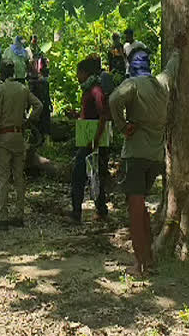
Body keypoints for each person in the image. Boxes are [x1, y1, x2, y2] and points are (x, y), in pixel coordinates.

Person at [108, 42, 181, 277]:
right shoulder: (162, 83)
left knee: (135, 212)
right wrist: (178, 49)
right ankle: (148, 260)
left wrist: (122, 126)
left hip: (135, 156)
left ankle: (140, 265)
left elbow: (113, 101)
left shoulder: (132, 85)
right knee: (141, 212)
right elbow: (172, 67)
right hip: (155, 158)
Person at [0, 61, 42, 230]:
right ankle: (19, 214)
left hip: (4, 137)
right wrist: (28, 121)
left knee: (4, 178)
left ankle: (2, 216)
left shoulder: (1, 89)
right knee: (19, 177)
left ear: (2, 73)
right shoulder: (23, 88)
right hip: (19, 136)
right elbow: (38, 105)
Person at [69, 56, 110, 224]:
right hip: (87, 140)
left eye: (78, 73)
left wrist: (95, 140)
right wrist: (76, 116)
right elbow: (90, 115)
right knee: (90, 175)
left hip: (93, 142)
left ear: (85, 73)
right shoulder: (87, 90)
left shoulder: (96, 91)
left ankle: (80, 212)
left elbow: (103, 116)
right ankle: (96, 209)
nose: (77, 76)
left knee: (86, 175)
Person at [27, 35, 52, 138]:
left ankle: (43, 132)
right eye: (33, 40)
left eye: (36, 40)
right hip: (32, 79)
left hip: (39, 79)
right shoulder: (28, 50)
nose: (35, 42)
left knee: (43, 107)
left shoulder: (38, 50)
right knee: (35, 103)